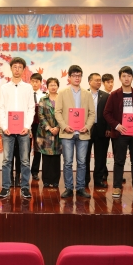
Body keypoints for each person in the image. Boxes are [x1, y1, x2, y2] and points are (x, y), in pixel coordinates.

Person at [104, 66, 133, 198]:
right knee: (119, 161)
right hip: (120, 133)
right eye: (124, 76)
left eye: (129, 76)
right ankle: (117, 187)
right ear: (120, 78)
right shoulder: (114, 95)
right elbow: (106, 113)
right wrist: (117, 126)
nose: (126, 78)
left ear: (132, 78)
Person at [0, 57, 36, 199]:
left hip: (23, 130)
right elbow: (1, 108)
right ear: (11, 68)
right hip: (7, 130)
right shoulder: (4, 87)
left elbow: (31, 108)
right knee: (6, 160)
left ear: (23, 69)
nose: (17, 69)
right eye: (15, 67)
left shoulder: (28, 87)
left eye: (20, 67)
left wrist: (27, 126)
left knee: (25, 160)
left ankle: (25, 187)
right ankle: (5, 187)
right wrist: (4, 126)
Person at [55, 65, 95, 199]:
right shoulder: (62, 93)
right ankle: (68, 187)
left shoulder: (87, 94)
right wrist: (64, 126)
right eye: (74, 75)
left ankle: (80, 188)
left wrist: (87, 126)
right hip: (67, 133)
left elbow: (92, 113)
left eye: (79, 75)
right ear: (69, 77)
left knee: (82, 162)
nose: (77, 78)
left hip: (83, 133)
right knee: (67, 162)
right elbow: (57, 112)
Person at [85, 72, 111, 188]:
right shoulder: (83, 94)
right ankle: (85, 180)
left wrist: (108, 128)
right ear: (89, 81)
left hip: (102, 129)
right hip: (86, 129)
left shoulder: (106, 96)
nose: (99, 82)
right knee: (84, 157)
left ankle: (98, 180)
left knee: (100, 157)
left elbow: (109, 113)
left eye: (100, 80)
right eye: (96, 80)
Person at [37, 77, 62, 188]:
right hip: (45, 133)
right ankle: (46, 180)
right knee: (46, 157)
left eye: (55, 85)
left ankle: (55, 180)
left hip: (58, 132)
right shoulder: (43, 99)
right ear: (47, 87)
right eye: (51, 85)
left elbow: (64, 114)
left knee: (56, 157)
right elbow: (40, 115)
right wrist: (49, 128)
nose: (53, 87)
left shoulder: (62, 98)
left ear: (58, 86)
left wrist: (58, 127)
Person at [30, 73, 44, 181]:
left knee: (38, 149)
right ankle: (24, 171)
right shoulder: (26, 94)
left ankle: (35, 171)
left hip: (40, 125)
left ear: (41, 82)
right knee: (25, 149)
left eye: (37, 81)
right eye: (33, 81)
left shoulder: (44, 96)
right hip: (28, 125)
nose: (35, 84)